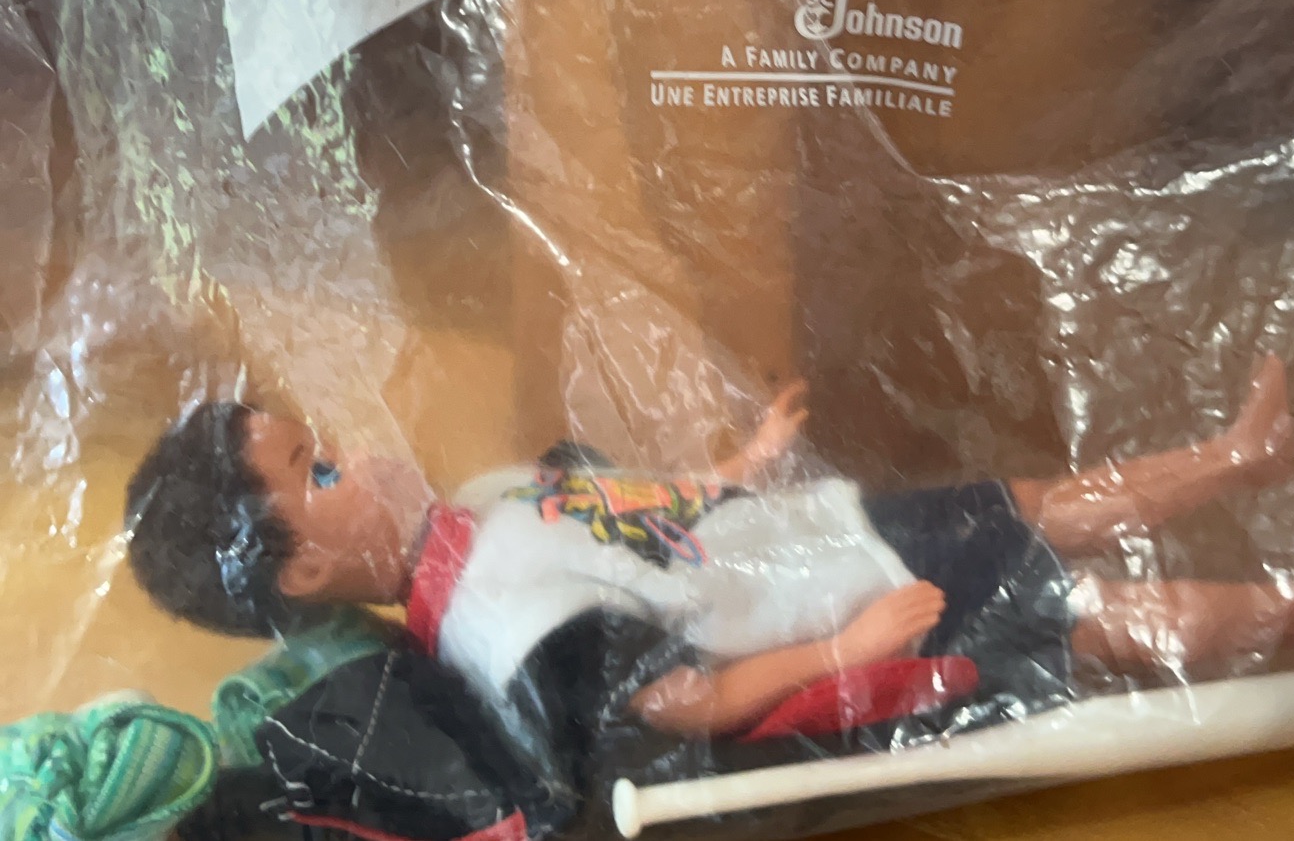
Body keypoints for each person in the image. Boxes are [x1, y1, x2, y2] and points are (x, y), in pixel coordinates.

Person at [125, 359, 1294, 737]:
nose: (358, 453)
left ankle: (1236, 458)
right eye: (321, 471)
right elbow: (679, 703)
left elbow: (637, 509)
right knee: (1096, 619)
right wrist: (844, 651)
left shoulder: (477, 503)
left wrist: (741, 463)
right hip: (847, 608)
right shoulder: (505, 625)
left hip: (826, 536)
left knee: (1032, 504)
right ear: (306, 569)